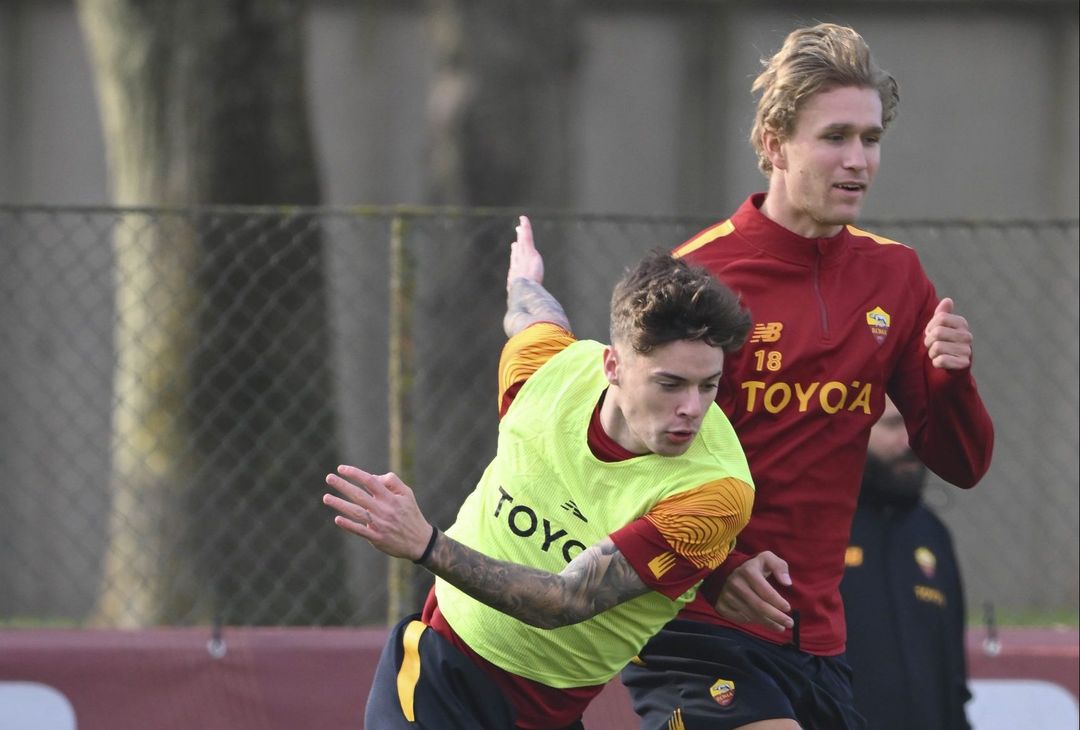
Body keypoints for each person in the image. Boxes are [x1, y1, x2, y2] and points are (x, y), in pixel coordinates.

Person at [619, 22, 995, 729]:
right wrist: (722, 565)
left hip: (818, 634)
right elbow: (622, 459)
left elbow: (963, 462)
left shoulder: (897, 277)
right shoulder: (699, 278)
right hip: (693, 623)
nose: (858, 160)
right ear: (772, 143)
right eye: (834, 138)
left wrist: (951, 379)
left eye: (871, 139)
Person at [323, 216, 757, 729]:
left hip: (542, 712)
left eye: (708, 386)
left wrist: (425, 544)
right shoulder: (549, 370)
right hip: (439, 669)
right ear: (613, 366)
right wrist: (524, 282)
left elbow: (565, 600)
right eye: (670, 383)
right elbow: (530, 319)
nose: (692, 407)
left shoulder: (714, 492)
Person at [840, 397, 973, 730]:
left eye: (919, 424)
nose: (911, 440)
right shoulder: (815, 524)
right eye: (893, 424)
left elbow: (953, 675)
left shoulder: (932, 533)